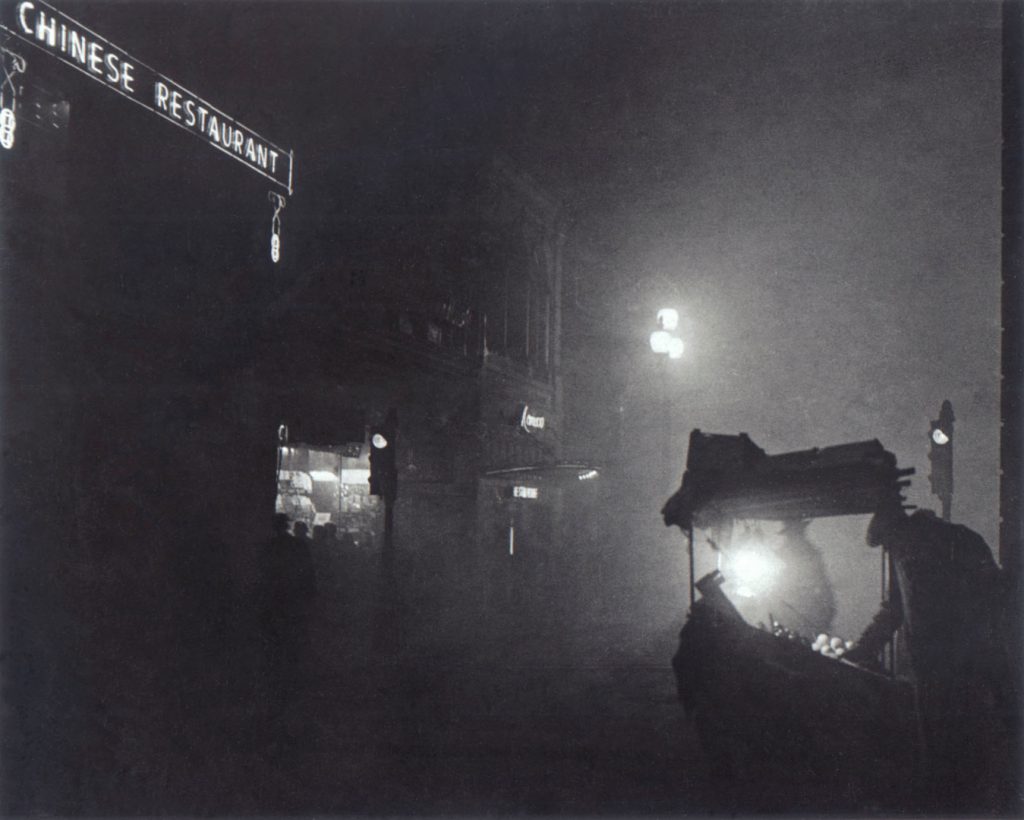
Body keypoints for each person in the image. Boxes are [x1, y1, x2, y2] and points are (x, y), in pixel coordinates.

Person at [845, 502, 1017, 813]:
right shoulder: (954, 540)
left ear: (896, 533)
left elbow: (897, 609)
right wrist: (862, 649)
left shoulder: (914, 550)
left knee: (951, 752)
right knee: (959, 751)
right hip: (956, 665)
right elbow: (898, 608)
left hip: (949, 668)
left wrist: (862, 650)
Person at [260, 514, 318, 715]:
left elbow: (262, 574)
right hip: (293, 598)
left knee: (277, 639)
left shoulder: (269, 547)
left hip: (276, 599)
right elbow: (308, 574)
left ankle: (278, 677)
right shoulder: (297, 547)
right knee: (293, 637)